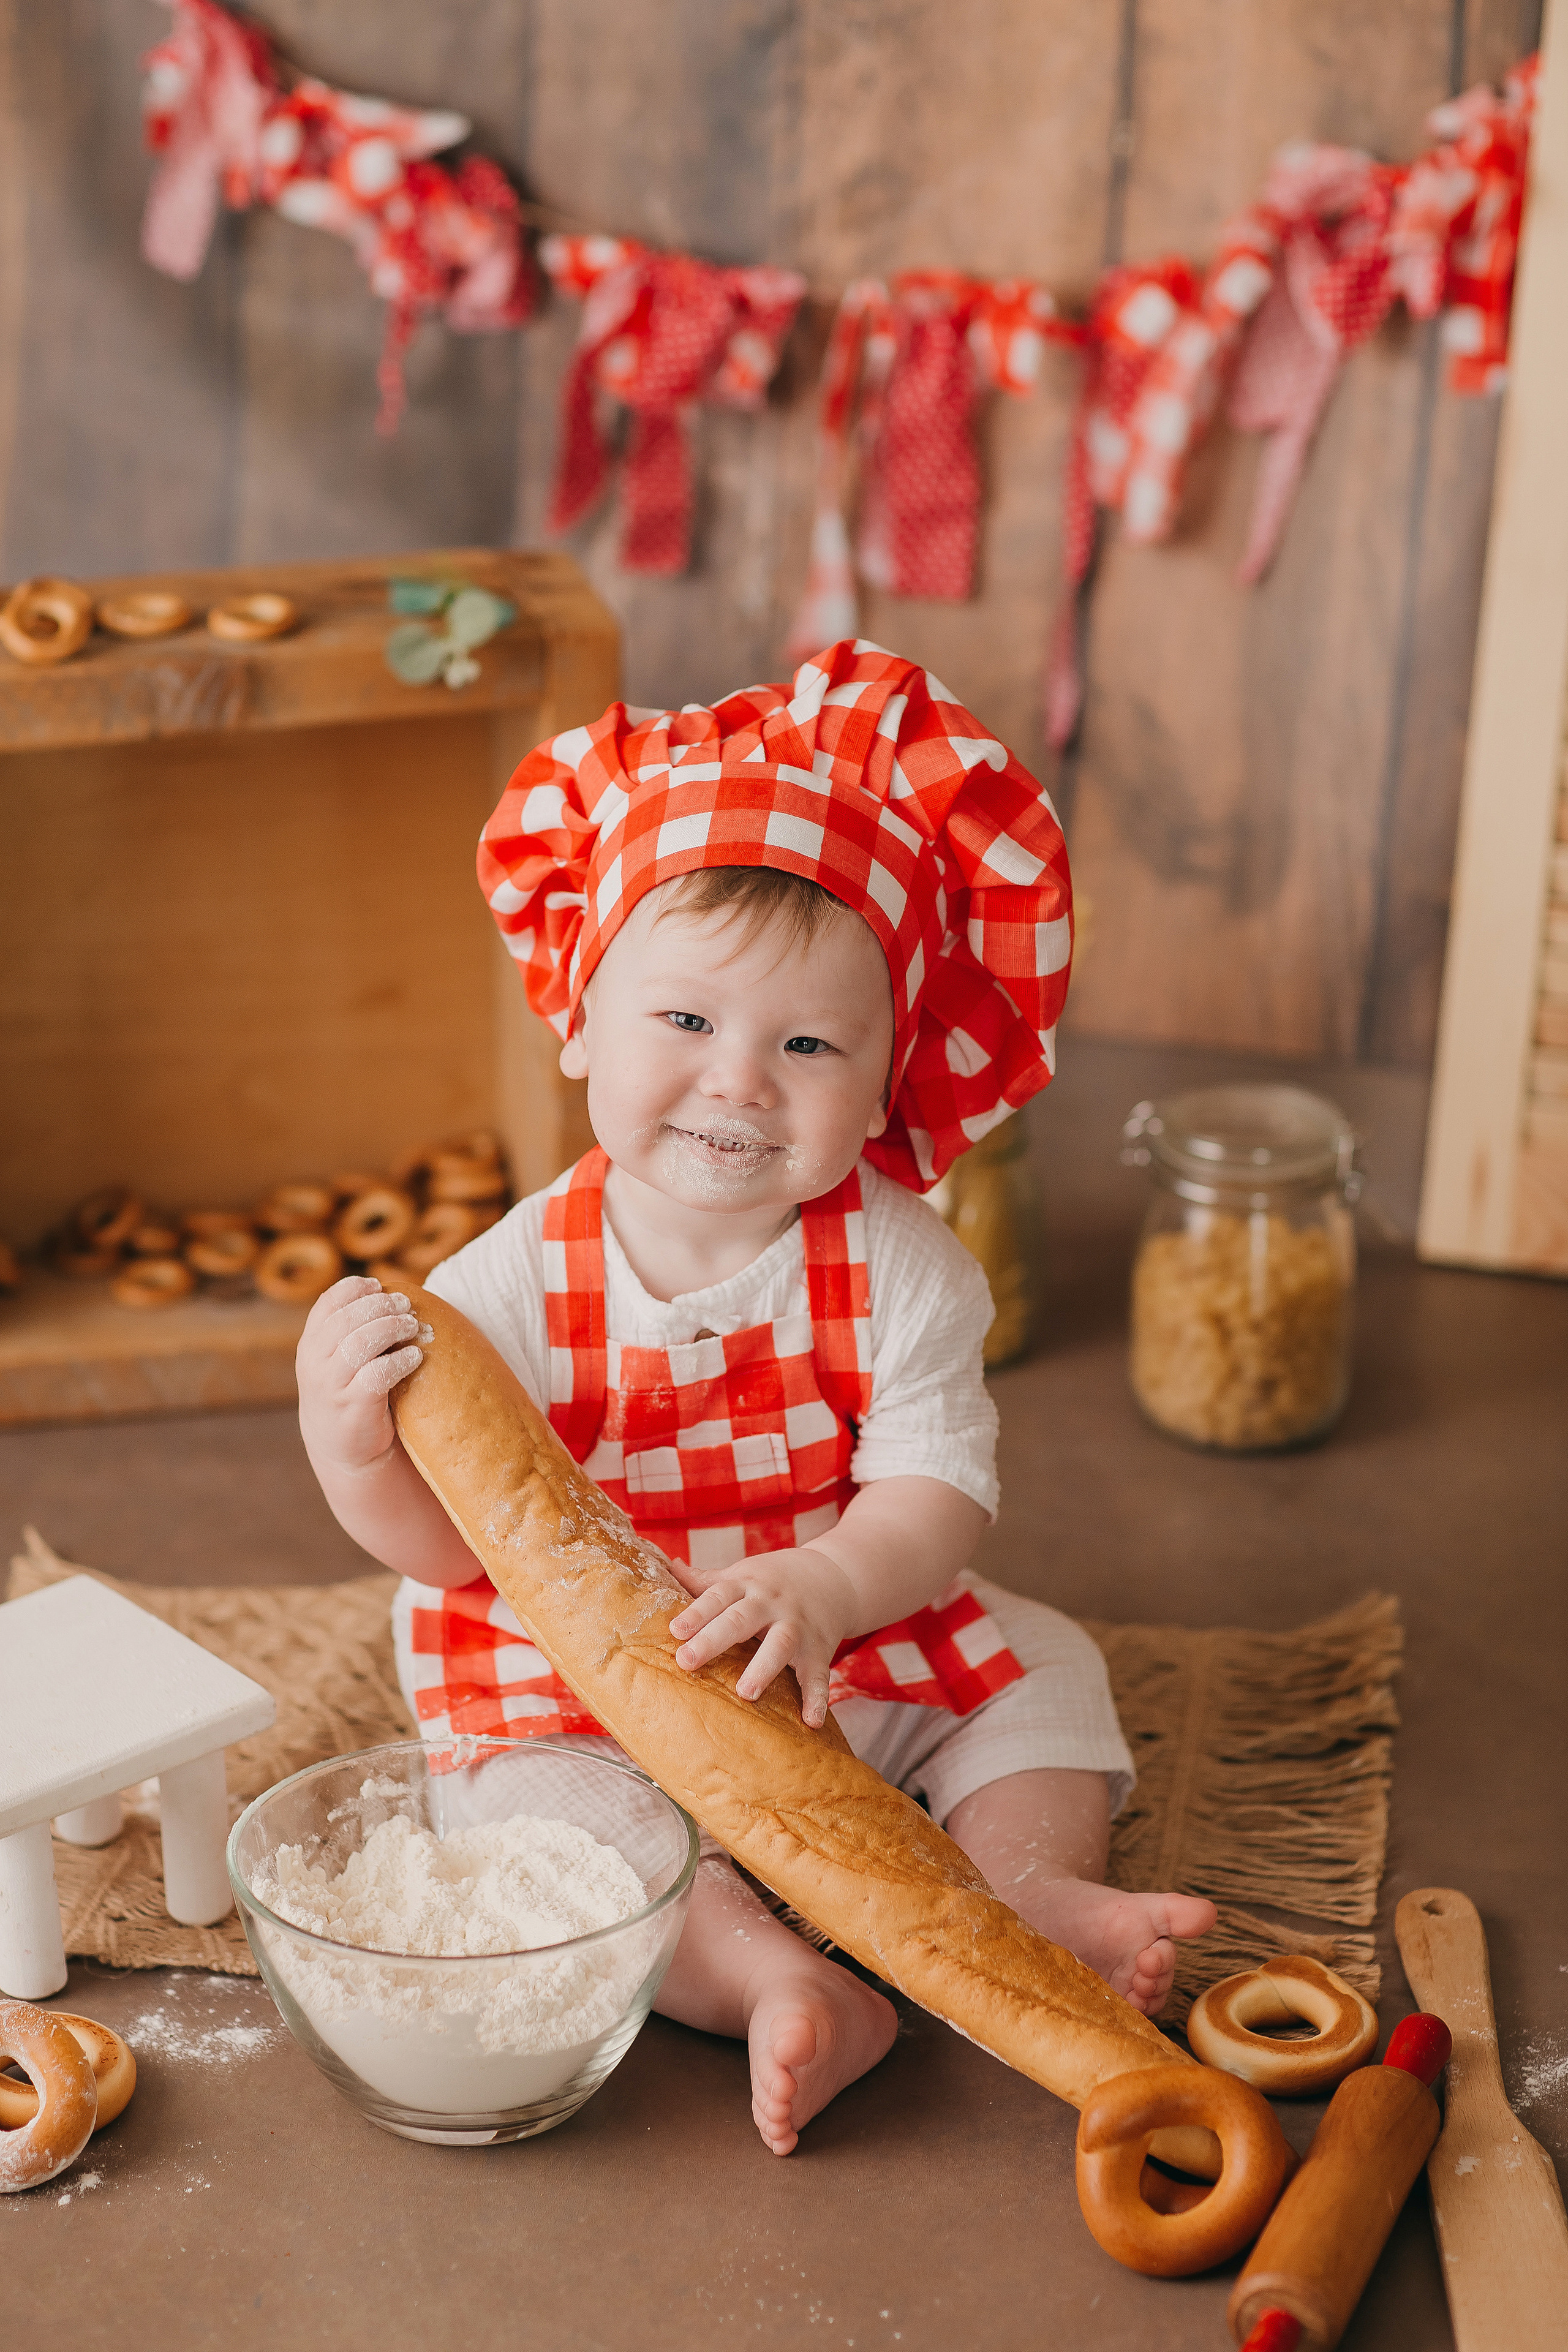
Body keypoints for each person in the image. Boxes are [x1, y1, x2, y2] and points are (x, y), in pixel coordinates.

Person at [296, 639, 1215, 2156]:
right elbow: (451, 1548)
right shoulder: (500, 1284)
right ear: (580, 1016)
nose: (736, 1082)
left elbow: (933, 1493)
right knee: (548, 1835)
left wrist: (826, 1580)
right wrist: (352, 1445)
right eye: (684, 1024)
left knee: (1043, 1677)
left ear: (883, 1083)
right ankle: (767, 1979)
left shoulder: (905, 1270)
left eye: (804, 1046)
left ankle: (1028, 1894)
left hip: (831, 1624)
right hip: (579, 1679)